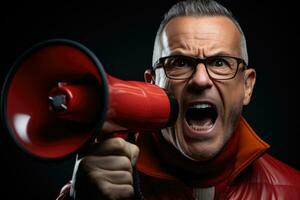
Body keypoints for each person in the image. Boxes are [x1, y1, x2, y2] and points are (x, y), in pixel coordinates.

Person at [57, 0, 300, 199]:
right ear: (152, 82)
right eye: (181, 63)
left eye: (219, 63)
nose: (201, 80)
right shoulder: (90, 188)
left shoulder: (293, 190)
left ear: (247, 86)